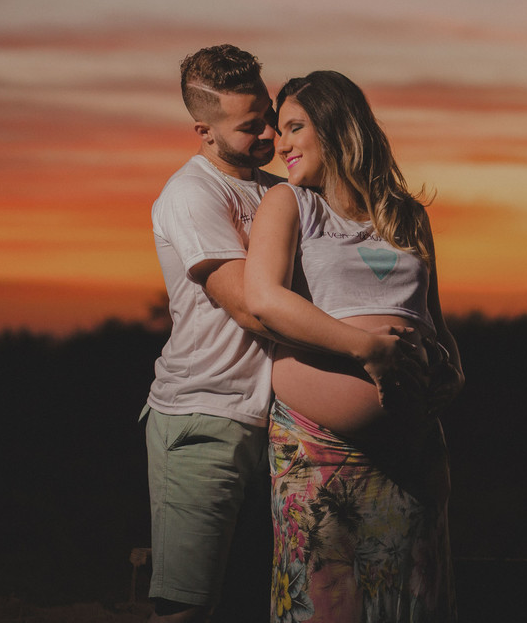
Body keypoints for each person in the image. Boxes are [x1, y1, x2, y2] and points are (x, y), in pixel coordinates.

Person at [147, 48, 416, 623]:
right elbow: (254, 309)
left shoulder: (279, 187)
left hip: (270, 419)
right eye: (250, 125)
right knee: (187, 604)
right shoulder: (192, 195)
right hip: (206, 414)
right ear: (204, 130)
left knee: (256, 598)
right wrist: (368, 348)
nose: (269, 131)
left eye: (269, 115)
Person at [244, 70, 464, 623]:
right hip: (320, 454)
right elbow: (265, 299)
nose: (282, 143)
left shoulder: (407, 216)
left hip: (410, 451)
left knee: (411, 598)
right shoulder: (289, 204)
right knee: (327, 603)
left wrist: (453, 368)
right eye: (279, 130)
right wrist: (369, 350)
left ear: (338, 126)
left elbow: (433, 319)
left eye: (296, 127)